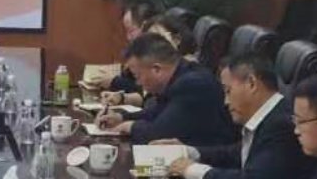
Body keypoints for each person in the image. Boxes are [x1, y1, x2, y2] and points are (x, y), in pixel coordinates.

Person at [162, 52, 317, 179]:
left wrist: (192, 170)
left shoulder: (282, 124)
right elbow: (238, 152)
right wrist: (191, 152)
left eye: (228, 91)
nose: (226, 102)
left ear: (251, 83)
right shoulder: (272, 116)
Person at [96, 34, 238, 147]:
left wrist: (130, 126)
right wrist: (121, 117)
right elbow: (158, 113)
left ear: (156, 69)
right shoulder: (180, 74)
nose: (138, 83)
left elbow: (158, 135)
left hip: (214, 162)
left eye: (137, 76)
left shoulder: (193, 84)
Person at [101, 2, 157, 101]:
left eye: (131, 31)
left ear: (146, 26)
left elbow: (147, 91)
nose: (128, 37)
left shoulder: (160, 53)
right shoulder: (138, 51)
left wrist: (114, 82)